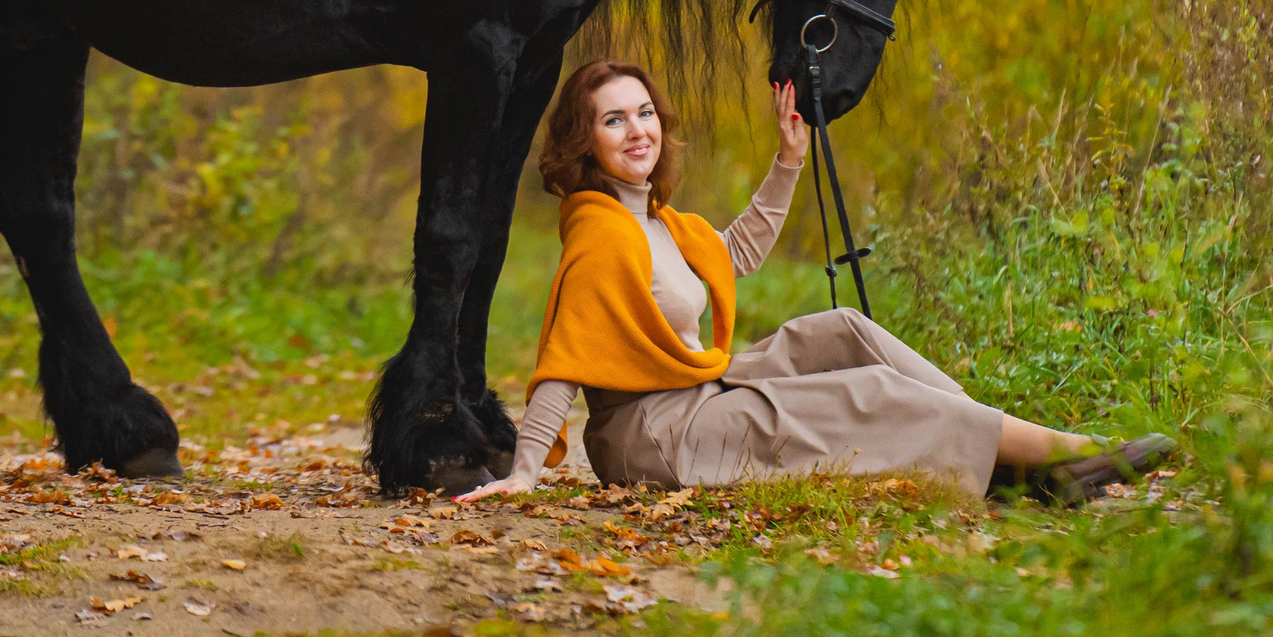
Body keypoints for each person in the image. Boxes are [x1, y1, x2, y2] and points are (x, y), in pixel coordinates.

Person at [458, 59, 1173, 504]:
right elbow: (565, 359)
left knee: (842, 330)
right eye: (614, 119)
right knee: (869, 395)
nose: (637, 129)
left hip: (693, 393)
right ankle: (1056, 452)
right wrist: (526, 470)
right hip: (654, 436)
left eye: (644, 111)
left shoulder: (658, 222)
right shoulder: (600, 234)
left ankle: (996, 447)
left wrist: (788, 159)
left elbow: (731, 252)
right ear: (587, 141)